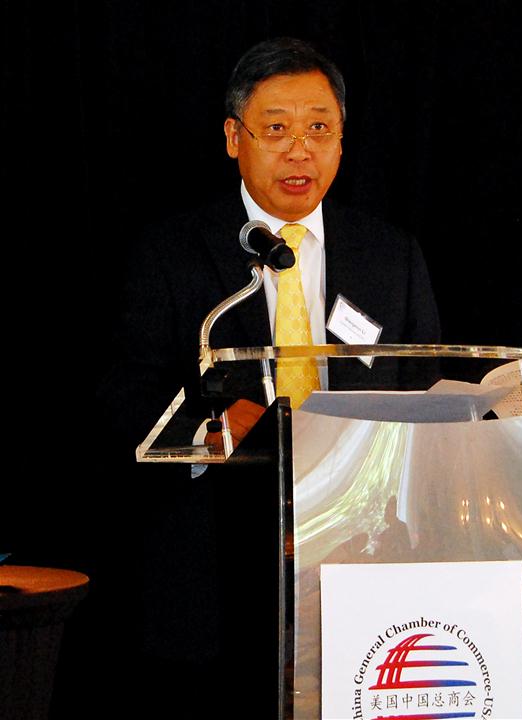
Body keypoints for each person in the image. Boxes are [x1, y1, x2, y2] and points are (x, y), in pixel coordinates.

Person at [92, 37, 440, 717]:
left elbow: (424, 394)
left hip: (359, 566)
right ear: (234, 138)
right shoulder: (169, 252)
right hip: (217, 572)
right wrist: (215, 425)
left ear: (342, 139)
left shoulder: (390, 256)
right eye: (276, 129)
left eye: (319, 129)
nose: (299, 151)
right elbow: (122, 393)